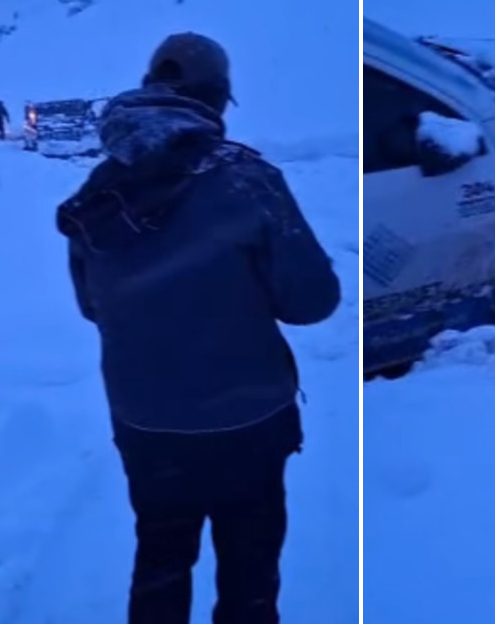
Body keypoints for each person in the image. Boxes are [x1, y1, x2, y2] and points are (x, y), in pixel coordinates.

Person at [55, 32, 340, 624]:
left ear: (149, 88)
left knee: (161, 561)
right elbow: (312, 301)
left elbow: (92, 305)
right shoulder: (246, 178)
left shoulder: (101, 190)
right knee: (249, 574)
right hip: (250, 422)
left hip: (146, 423)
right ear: (216, 100)